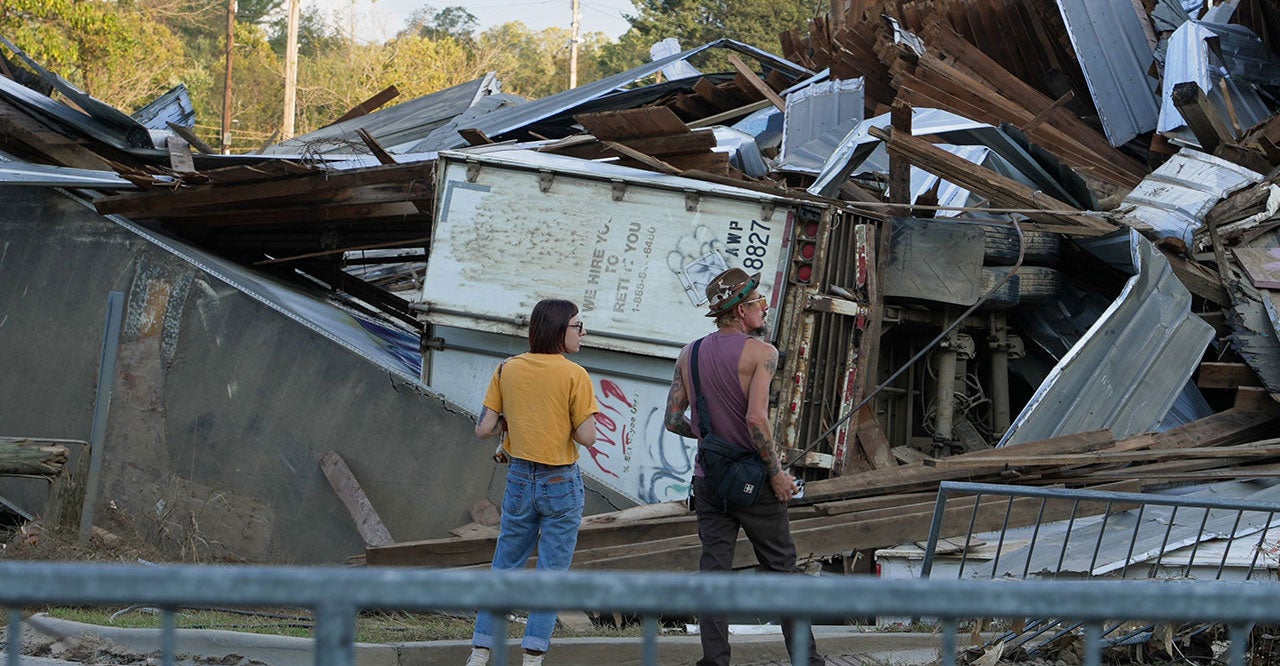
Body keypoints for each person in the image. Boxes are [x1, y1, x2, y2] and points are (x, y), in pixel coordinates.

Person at [664, 267, 825, 666]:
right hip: (755, 483)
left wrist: (709, 437)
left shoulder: (690, 353)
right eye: (757, 301)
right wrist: (777, 474)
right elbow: (756, 419)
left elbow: (673, 420)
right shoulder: (762, 354)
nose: (764, 306)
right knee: (782, 571)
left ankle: (715, 662)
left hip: (709, 482)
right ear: (740, 311)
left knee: (714, 574)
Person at [465, 299, 600, 666]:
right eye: (578, 326)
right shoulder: (575, 376)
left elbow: (483, 429)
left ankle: (480, 650)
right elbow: (587, 437)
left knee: (505, 565)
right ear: (559, 330)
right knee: (551, 572)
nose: (583, 332)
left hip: (520, 478)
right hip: (560, 481)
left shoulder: (507, 368)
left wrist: (517, 420)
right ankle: (533, 656)